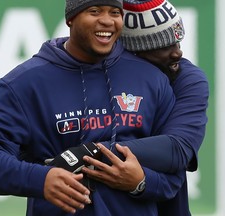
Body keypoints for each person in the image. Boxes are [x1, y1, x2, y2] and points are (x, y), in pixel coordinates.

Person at [0, 0, 187, 215]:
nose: (107, 21)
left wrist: (141, 182)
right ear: (71, 18)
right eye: (94, 11)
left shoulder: (150, 79)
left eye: (115, 12)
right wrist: (41, 179)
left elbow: (175, 175)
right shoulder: (24, 83)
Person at [82, 0, 209, 215]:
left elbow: (177, 152)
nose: (177, 53)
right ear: (134, 53)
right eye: (163, 46)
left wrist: (88, 153)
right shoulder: (96, 77)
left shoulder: (188, 79)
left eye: (177, 42)